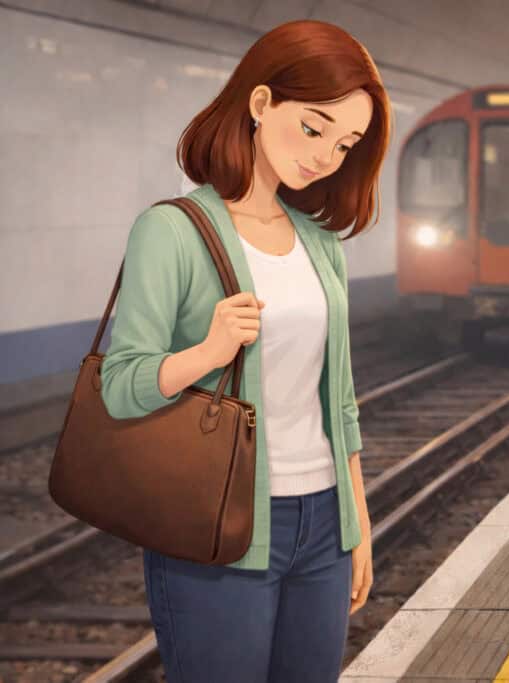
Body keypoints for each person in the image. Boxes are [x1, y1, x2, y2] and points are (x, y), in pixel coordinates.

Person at [99, 20, 391, 682]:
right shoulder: (170, 231)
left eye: (345, 144)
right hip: (216, 526)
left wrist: (359, 520)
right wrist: (208, 350)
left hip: (322, 524)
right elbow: (120, 384)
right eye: (315, 128)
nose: (325, 156)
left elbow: (338, 400)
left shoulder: (320, 243)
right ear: (261, 104)